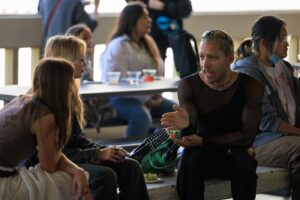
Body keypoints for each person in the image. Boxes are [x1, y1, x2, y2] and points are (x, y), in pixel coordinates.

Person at [25, 35, 149, 200]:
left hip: (70, 157)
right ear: (66, 62)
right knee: (105, 175)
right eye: (81, 60)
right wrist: (97, 154)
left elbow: (77, 140)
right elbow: (53, 154)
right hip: (46, 164)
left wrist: (107, 151)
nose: (85, 64)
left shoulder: (70, 95)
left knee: (130, 166)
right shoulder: (47, 100)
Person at [161, 30, 263, 200]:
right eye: (201, 57)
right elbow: (190, 139)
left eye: (212, 58)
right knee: (189, 158)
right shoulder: (189, 84)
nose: (205, 64)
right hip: (202, 155)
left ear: (230, 58)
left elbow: (246, 137)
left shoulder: (251, 86)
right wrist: (185, 127)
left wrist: (204, 140)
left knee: (242, 160)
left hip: (233, 152)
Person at [0, 58, 92, 200]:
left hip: (5, 172)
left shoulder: (21, 100)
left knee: (74, 176)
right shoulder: (44, 117)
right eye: (70, 81)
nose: (73, 86)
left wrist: (77, 170)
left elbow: (53, 157)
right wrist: (77, 171)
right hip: (3, 182)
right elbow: (49, 165)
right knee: (71, 182)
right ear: (61, 85)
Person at [232, 15, 300, 199]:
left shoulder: (283, 67)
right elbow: (266, 121)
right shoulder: (248, 73)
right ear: (263, 44)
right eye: (282, 38)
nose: (287, 43)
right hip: (259, 142)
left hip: (285, 136)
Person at [100, 2, 175, 138]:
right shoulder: (119, 46)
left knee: (177, 111)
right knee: (142, 117)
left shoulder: (147, 42)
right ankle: (133, 154)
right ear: (132, 20)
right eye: (145, 17)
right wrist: (146, 99)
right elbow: (118, 80)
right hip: (122, 99)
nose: (150, 20)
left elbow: (158, 71)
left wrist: (156, 94)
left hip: (150, 97)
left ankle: (159, 146)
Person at [126, 0, 193, 60]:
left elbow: (187, 9)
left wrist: (163, 6)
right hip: (150, 38)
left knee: (184, 67)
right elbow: (131, 4)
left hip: (175, 37)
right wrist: (146, 2)